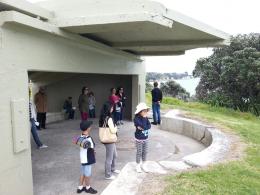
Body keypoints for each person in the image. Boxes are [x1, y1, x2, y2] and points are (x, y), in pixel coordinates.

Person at [99, 102, 120, 180]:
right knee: (109, 158)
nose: (112, 109)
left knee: (114, 155)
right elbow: (113, 130)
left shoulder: (103, 117)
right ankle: (108, 175)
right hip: (109, 140)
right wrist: (116, 127)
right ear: (108, 109)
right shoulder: (109, 119)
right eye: (111, 107)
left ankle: (113, 169)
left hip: (107, 139)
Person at [76, 120, 97, 194]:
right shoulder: (88, 138)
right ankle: (88, 187)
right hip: (88, 159)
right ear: (88, 128)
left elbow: (77, 142)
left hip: (82, 158)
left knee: (83, 173)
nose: (91, 127)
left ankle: (80, 187)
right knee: (87, 174)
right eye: (90, 126)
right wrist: (93, 151)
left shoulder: (81, 136)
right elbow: (92, 147)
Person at [134, 103, 151, 173]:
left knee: (145, 152)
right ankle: (138, 165)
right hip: (139, 139)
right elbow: (143, 126)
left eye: (146, 111)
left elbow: (149, 126)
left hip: (145, 138)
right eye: (144, 111)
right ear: (140, 111)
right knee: (139, 152)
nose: (145, 112)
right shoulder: (136, 119)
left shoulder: (145, 118)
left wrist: (143, 127)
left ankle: (144, 164)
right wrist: (144, 126)